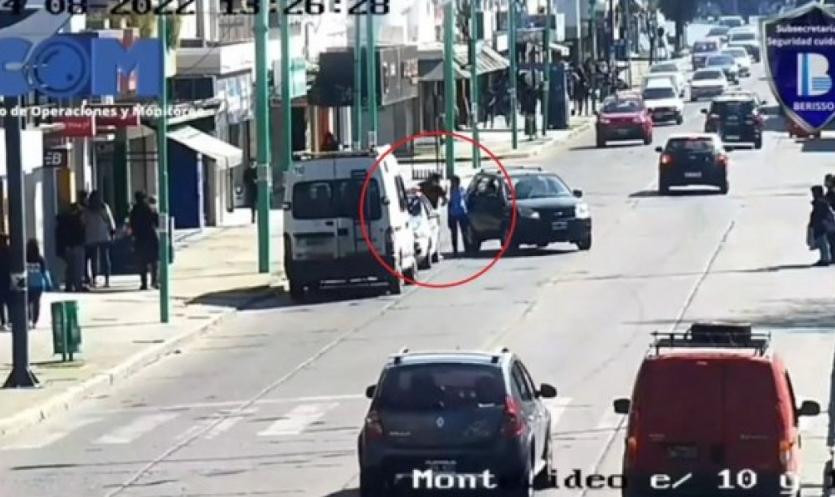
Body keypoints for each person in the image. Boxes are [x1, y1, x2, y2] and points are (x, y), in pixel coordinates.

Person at [82, 190, 116, 288]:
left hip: (91, 236)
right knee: (105, 258)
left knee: (93, 259)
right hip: (103, 235)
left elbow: (83, 222)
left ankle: (94, 278)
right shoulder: (104, 207)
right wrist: (112, 231)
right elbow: (110, 220)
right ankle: (107, 279)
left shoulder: (87, 209)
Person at [129, 191, 160, 290]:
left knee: (142, 262)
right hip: (151, 236)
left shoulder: (134, 210)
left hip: (140, 238)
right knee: (154, 261)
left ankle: (144, 283)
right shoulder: (149, 209)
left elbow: (132, 224)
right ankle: (154, 281)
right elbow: (157, 221)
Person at [55, 199, 87, 292]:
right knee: (78, 268)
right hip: (77, 246)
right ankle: (78, 285)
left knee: (70, 268)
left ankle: (69, 285)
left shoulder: (64, 221)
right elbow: (81, 233)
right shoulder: (77, 221)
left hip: (68, 247)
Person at [26, 238, 51, 329]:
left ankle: (28, 319)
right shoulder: (40, 259)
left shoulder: (25, 258)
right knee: (36, 304)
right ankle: (34, 321)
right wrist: (49, 284)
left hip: (28, 284)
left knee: (27, 303)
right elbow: (45, 273)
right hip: (38, 285)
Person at [808, 185, 835, 266]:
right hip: (828, 224)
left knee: (822, 243)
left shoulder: (820, 202)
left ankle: (825, 259)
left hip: (823, 225)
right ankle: (830, 258)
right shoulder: (823, 201)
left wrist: (813, 224)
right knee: (829, 242)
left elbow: (818, 215)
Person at [448, 175, 468, 257]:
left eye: (453, 182)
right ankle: (455, 250)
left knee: (464, 232)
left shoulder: (461, 189)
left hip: (461, 213)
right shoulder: (450, 191)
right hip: (453, 214)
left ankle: (467, 248)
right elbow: (449, 204)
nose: (452, 183)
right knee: (454, 233)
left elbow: (465, 199)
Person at [0, 234, 9, 330]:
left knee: (1, 302)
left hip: (2, 278)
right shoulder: (10, 251)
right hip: (8, 278)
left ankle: (4, 321)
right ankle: (8, 321)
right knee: (8, 301)